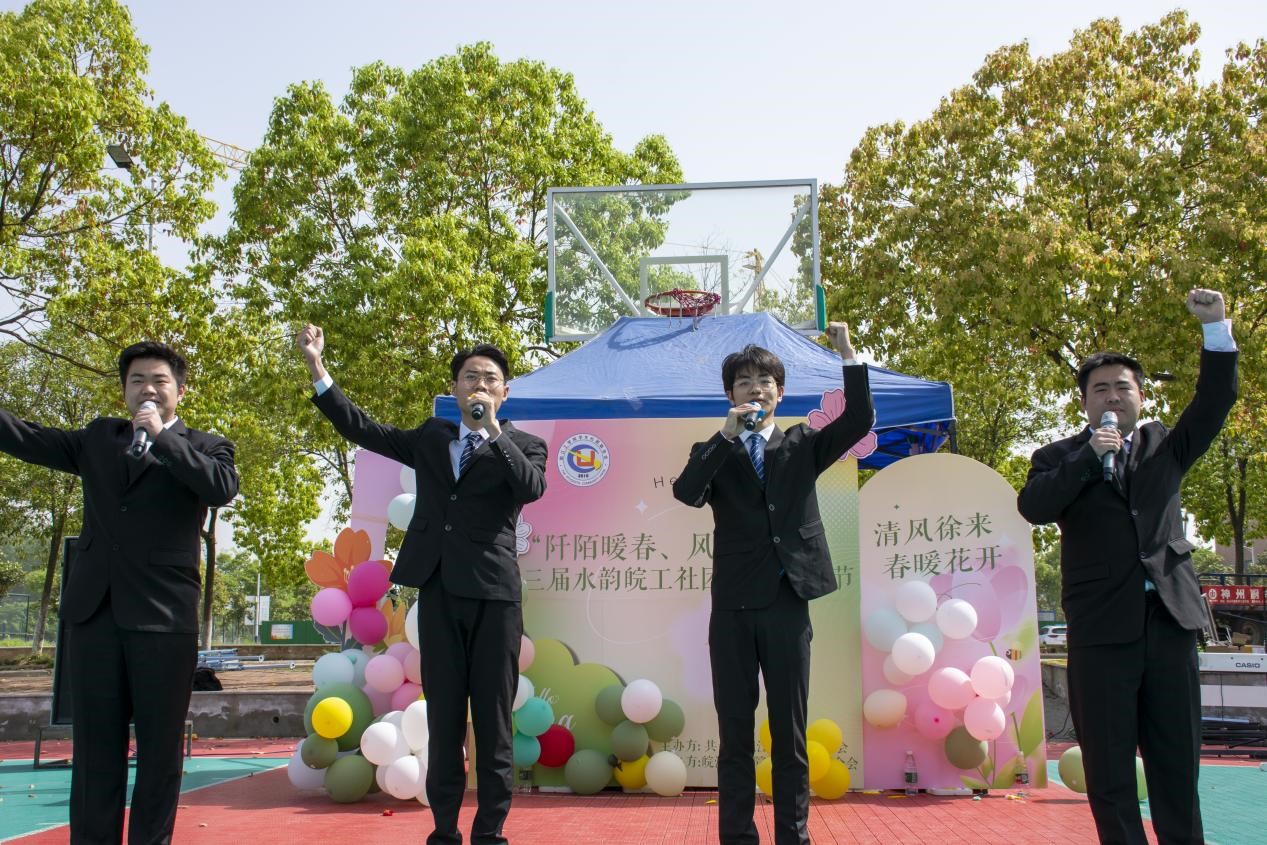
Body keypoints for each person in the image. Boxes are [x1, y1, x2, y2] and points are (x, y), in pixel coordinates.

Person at [297, 325, 546, 845]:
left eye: (490, 379)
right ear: (454, 388)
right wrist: (318, 370)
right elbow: (365, 429)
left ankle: (490, 833)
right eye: (470, 377)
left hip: (494, 598)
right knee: (445, 720)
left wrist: (493, 432)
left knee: (494, 724)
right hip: (438, 593)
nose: (479, 385)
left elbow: (531, 487)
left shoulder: (524, 445)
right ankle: (444, 831)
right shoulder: (433, 438)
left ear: (505, 392)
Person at [1018, 289, 1238, 845]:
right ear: (1084, 403)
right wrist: (1089, 456)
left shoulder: (1167, 445)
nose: (1113, 396)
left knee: (1176, 766)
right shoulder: (1057, 458)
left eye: (1122, 387)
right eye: (1100, 389)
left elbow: (1214, 401)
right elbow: (1034, 506)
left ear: (1140, 396)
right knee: (1109, 770)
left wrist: (1216, 329)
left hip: (1169, 622)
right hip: (1100, 630)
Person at [0, 342, 238, 844]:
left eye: (159, 380)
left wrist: (162, 438)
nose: (147, 389)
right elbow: (24, 437)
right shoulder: (97, 438)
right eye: (136, 380)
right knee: (94, 751)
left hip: (164, 620)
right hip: (95, 615)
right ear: (124, 390)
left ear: (180, 390)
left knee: (159, 752)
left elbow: (220, 488)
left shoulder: (207, 446)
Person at [673, 323, 874, 845]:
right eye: (744, 382)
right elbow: (686, 492)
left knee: (789, 733)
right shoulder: (714, 449)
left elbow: (858, 419)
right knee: (735, 735)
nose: (755, 389)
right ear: (730, 395)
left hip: (788, 603)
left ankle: (793, 835)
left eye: (764, 381)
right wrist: (725, 435)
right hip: (733, 609)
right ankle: (737, 837)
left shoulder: (802, 444)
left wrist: (848, 356)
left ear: (779, 393)